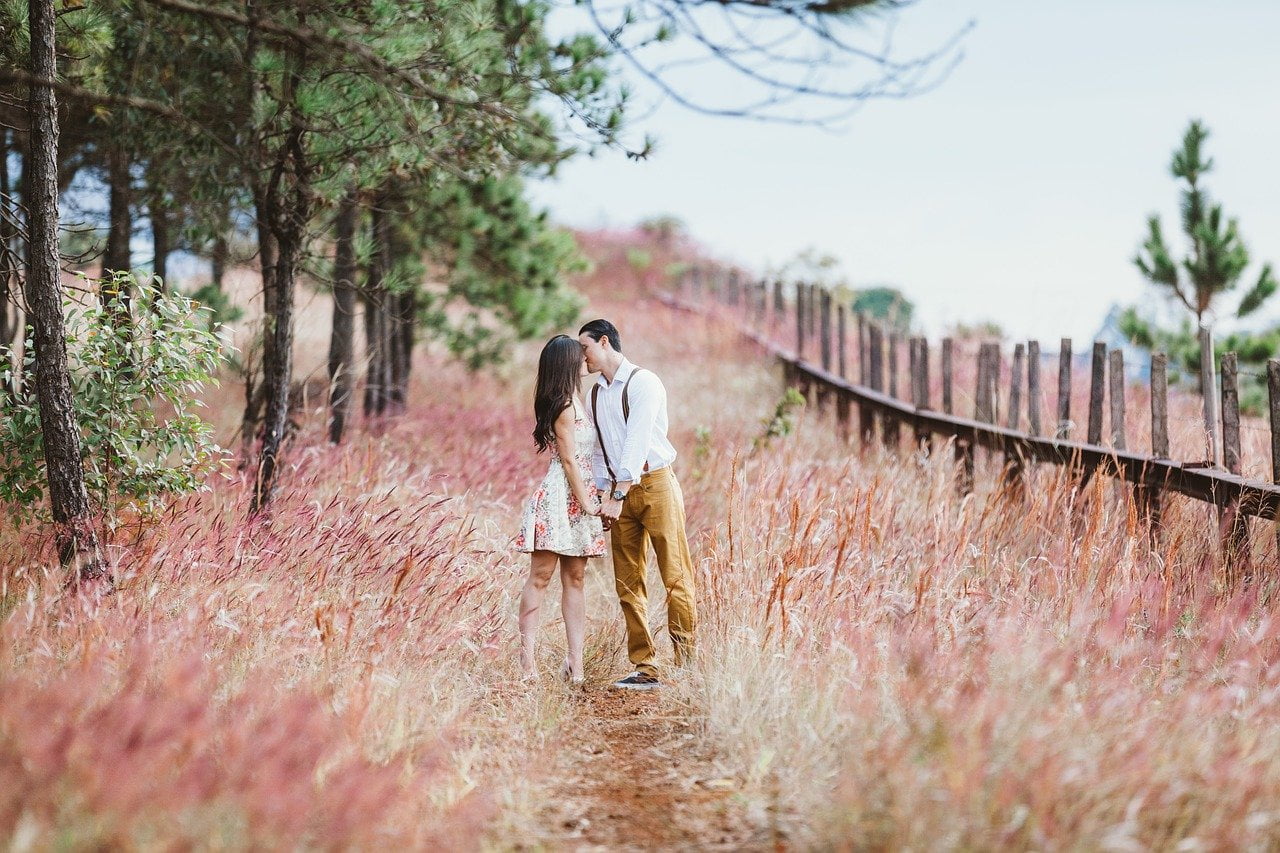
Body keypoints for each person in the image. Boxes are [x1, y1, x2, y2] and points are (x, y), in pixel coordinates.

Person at [578, 319, 697, 690]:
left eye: (585, 348)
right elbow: (598, 451)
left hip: (655, 484)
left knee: (675, 575)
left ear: (603, 341)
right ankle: (646, 667)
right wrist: (602, 494)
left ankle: (687, 665)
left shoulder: (643, 382)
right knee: (627, 581)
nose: (582, 357)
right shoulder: (594, 394)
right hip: (617, 493)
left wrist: (617, 494)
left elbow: (637, 440)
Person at [514, 335, 606, 684]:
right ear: (566, 363)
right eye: (578, 355)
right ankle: (528, 665)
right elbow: (568, 459)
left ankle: (575, 663)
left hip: (579, 495)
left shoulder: (577, 400)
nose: (584, 359)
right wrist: (586, 503)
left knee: (576, 579)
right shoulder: (564, 405)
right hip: (560, 497)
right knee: (540, 577)